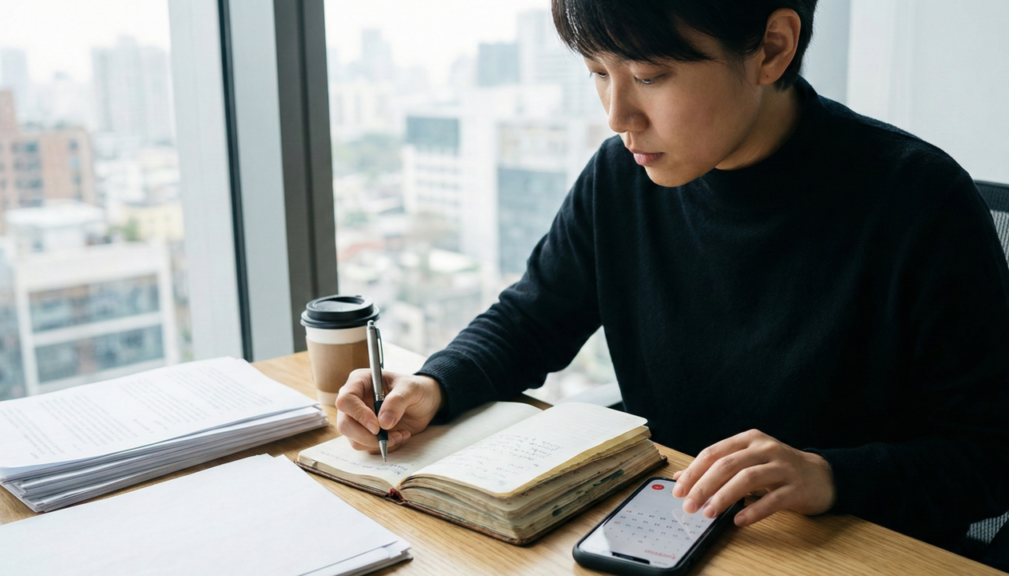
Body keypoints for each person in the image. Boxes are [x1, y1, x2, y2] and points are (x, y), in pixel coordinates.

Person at [335, 0, 1009, 552]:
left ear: (772, 48)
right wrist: (432, 384)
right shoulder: (619, 178)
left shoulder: (918, 201)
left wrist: (829, 475)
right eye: (598, 72)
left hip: (853, 549)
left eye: (650, 75)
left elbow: (990, 454)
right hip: (668, 528)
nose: (617, 115)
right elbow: (533, 318)